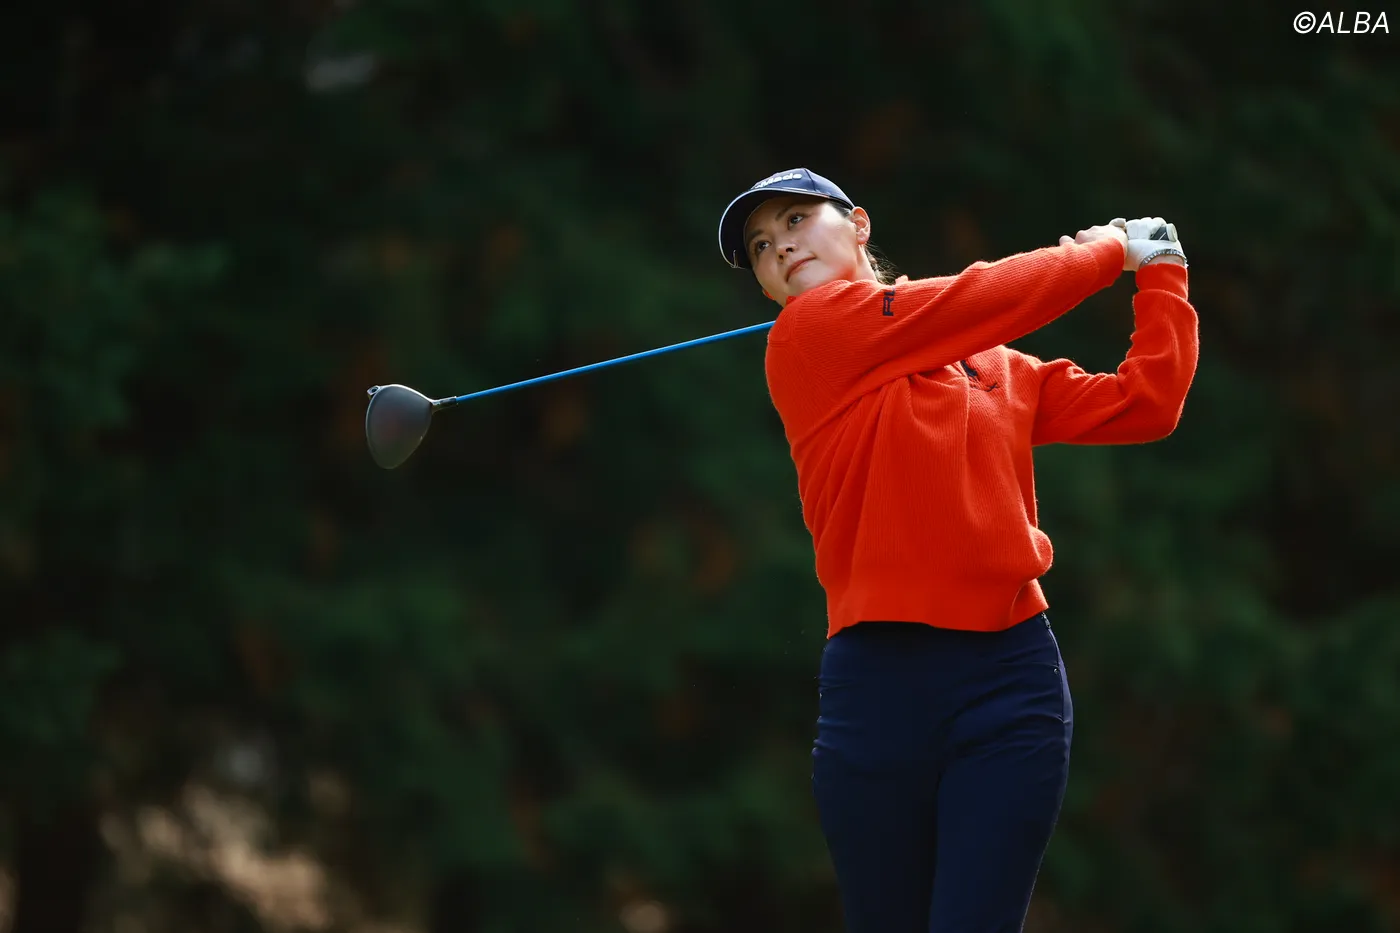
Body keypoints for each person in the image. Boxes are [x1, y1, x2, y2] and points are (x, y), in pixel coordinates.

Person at [716, 168, 1199, 932]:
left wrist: (1163, 276)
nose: (779, 246)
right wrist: (1108, 251)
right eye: (761, 246)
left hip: (1011, 678)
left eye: (796, 220)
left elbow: (1145, 404)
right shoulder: (809, 334)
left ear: (859, 224)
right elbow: (980, 298)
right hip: (880, 688)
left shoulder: (994, 363)